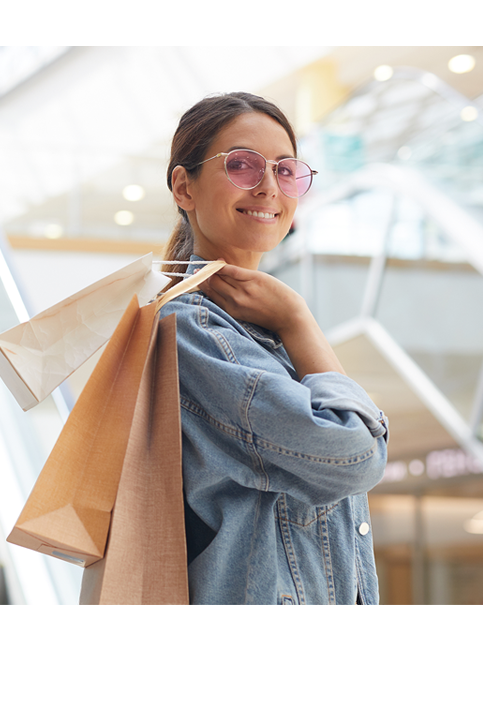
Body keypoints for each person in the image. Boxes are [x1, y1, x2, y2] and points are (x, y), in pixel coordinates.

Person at [158, 92, 389, 604]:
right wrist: (298, 320)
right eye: (241, 165)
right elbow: (355, 457)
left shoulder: (256, 331)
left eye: (286, 171)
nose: (268, 187)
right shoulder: (192, 326)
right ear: (184, 186)